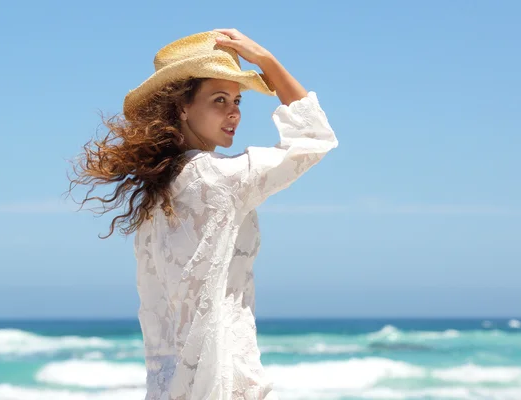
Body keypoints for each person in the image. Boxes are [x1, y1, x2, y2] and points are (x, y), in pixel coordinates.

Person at [68, 29, 338, 399]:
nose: (234, 113)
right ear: (182, 107)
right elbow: (313, 137)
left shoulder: (159, 190)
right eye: (219, 99)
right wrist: (266, 61)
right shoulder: (218, 177)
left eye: (238, 100)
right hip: (221, 379)